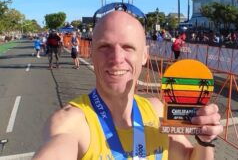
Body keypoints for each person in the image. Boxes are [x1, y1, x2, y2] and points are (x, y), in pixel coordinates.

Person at [33, 9, 222, 160]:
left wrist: (205, 141)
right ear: (91, 53)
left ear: (144, 55)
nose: (116, 58)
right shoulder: (71, 122)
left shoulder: (157, 111)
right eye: (105, 47)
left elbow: (189, 157)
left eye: (128, 47)